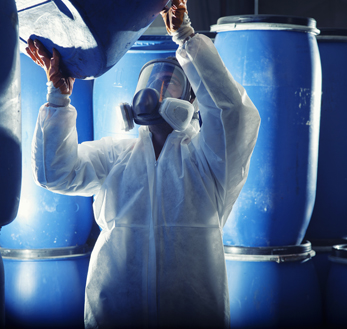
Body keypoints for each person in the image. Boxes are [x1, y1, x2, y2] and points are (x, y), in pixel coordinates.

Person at [26, 1, 260, 328]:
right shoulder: (115, 156)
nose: (156, 89)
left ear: (191, 102)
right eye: (153, 81)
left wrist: (186, 38)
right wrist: (58, 99)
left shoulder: (210, 163)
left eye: (171, 83)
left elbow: (234, 114)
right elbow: (55, 174)